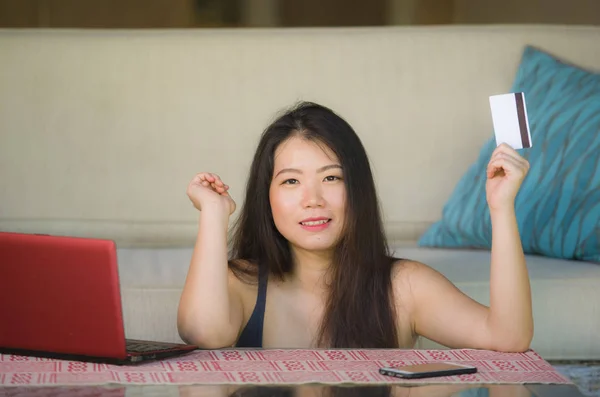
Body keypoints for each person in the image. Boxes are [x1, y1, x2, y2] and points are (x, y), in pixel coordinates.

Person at [177, 101, 533, 351]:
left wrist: (501, 208)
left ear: (358, 189)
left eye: (331, 177)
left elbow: (508, 337)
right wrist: (213, 212)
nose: (312, 199)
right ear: (265, 196)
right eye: (290, 182)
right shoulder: (241, 283)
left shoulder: (405, 287)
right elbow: (202, 333)